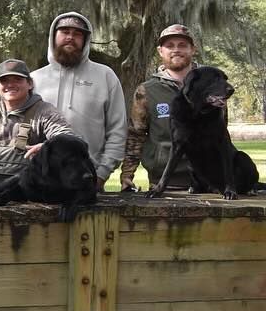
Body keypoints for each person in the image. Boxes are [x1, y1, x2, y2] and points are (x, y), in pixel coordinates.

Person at [30, 12, 127, 187]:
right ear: (53, 36)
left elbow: (118, 130)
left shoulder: (105, 76)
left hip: (87, 178)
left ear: (86, 40)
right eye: (65, 31)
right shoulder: (34, 80)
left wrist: (101, 173)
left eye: (77, 34)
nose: (70, 37)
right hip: (40, 180)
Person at [0, 59, 75, 192]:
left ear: (30, 84)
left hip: (26, 194)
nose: (10, 85)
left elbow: (68, 139)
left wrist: (47, 147)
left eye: (17, 79)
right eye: (4, 81)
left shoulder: (45, 111)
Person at [120, 23, 197, 193]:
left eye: (182, 45)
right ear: (160, 51)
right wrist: (127, 176)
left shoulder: (209, 85)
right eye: (169, 46)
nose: (176, 50)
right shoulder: (147, 90)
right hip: (162, 184)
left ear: (193, 49)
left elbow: (220, 134)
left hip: (205, 181)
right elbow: (135, 136)